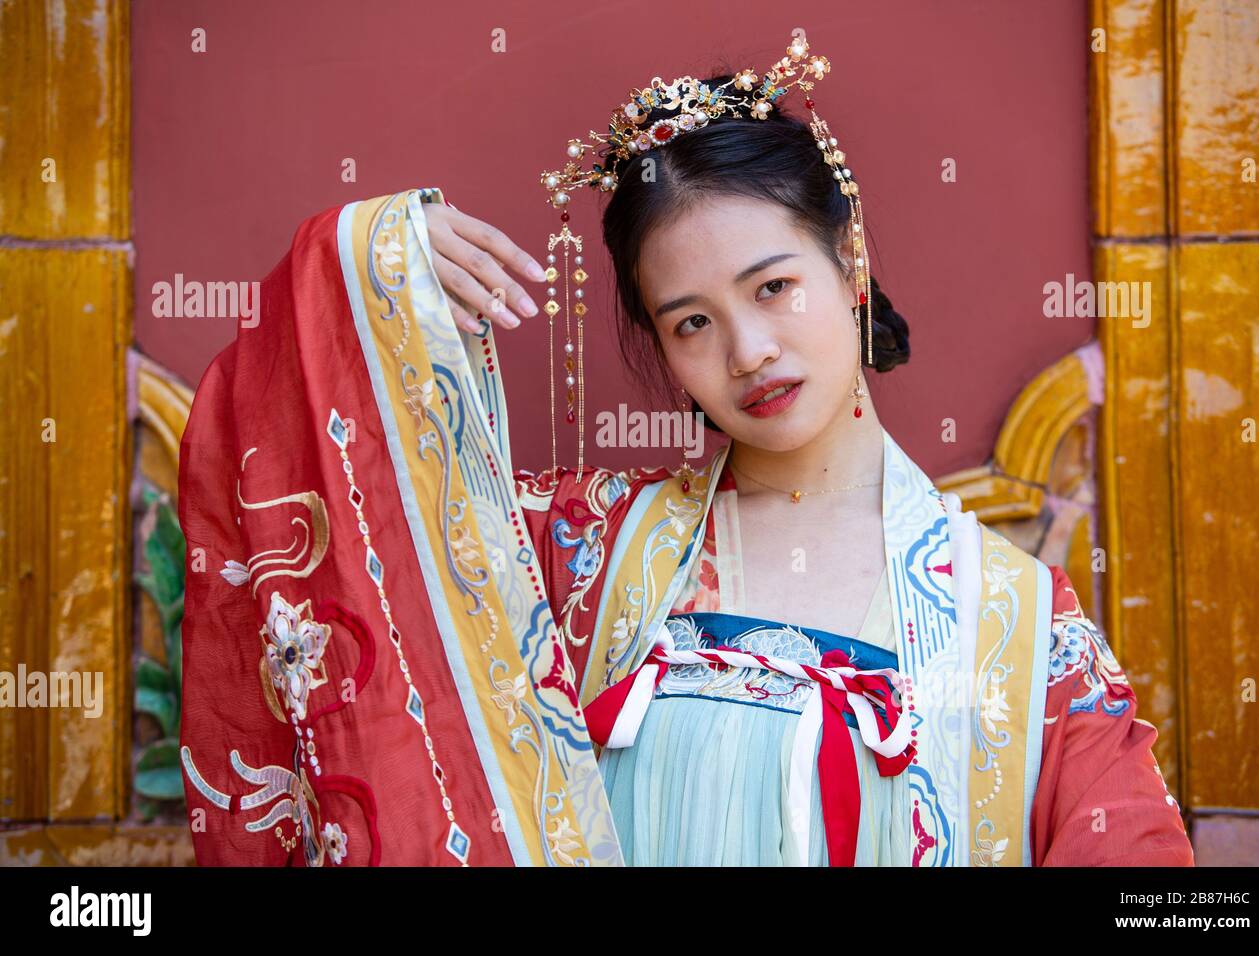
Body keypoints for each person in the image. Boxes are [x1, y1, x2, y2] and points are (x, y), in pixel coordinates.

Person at [177, 33, 1193, 867]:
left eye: (772, 287)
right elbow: (316, 516)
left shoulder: (1010, 618)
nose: (748, 351)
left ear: (849, 263)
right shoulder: (573, 556)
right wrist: (364, 273)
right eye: (691, 323)